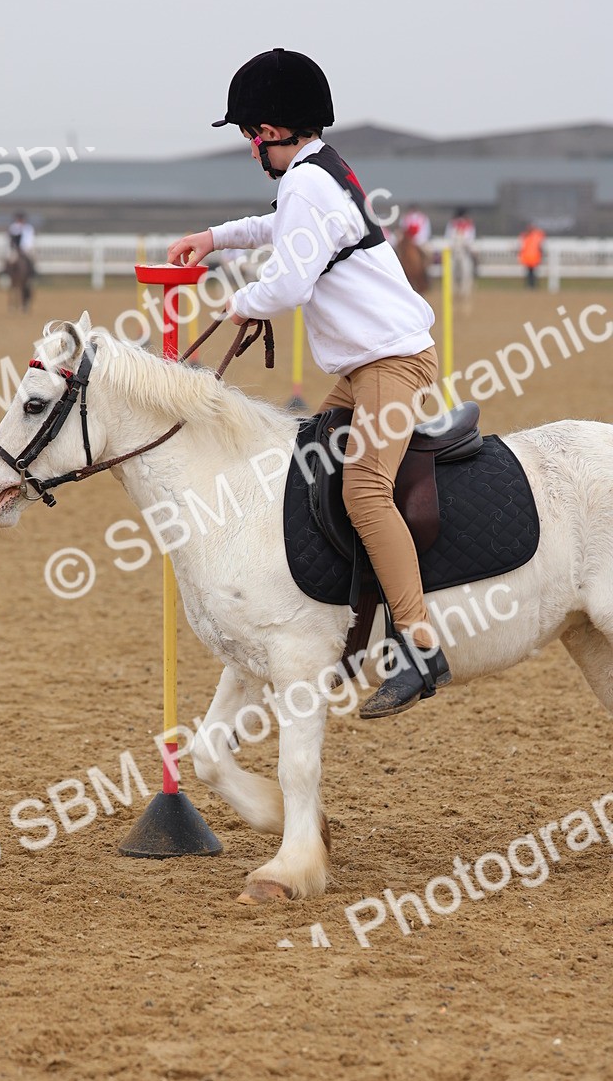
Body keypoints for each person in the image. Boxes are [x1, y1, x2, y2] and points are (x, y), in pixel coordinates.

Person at [167, 47, 450, 718]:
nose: (248, 146)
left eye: (247, 135)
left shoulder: (308, 183)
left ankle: (419, 645)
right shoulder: (313, 173)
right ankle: (343, 624)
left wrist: (239, 303)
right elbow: (277, 231)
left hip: (390, 365)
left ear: (270, 131)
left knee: (364, 488)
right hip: (366, 366)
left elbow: (289, 282)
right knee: (310, 464)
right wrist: (214, 238)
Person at [519, 223, 545, 288]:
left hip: (534, 257)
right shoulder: (525, 236)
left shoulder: (536, 235)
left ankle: (533, 285)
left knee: (533, 273)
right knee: (529, 273)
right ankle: (530, 285)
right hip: (527, 258)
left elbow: (540, 245)